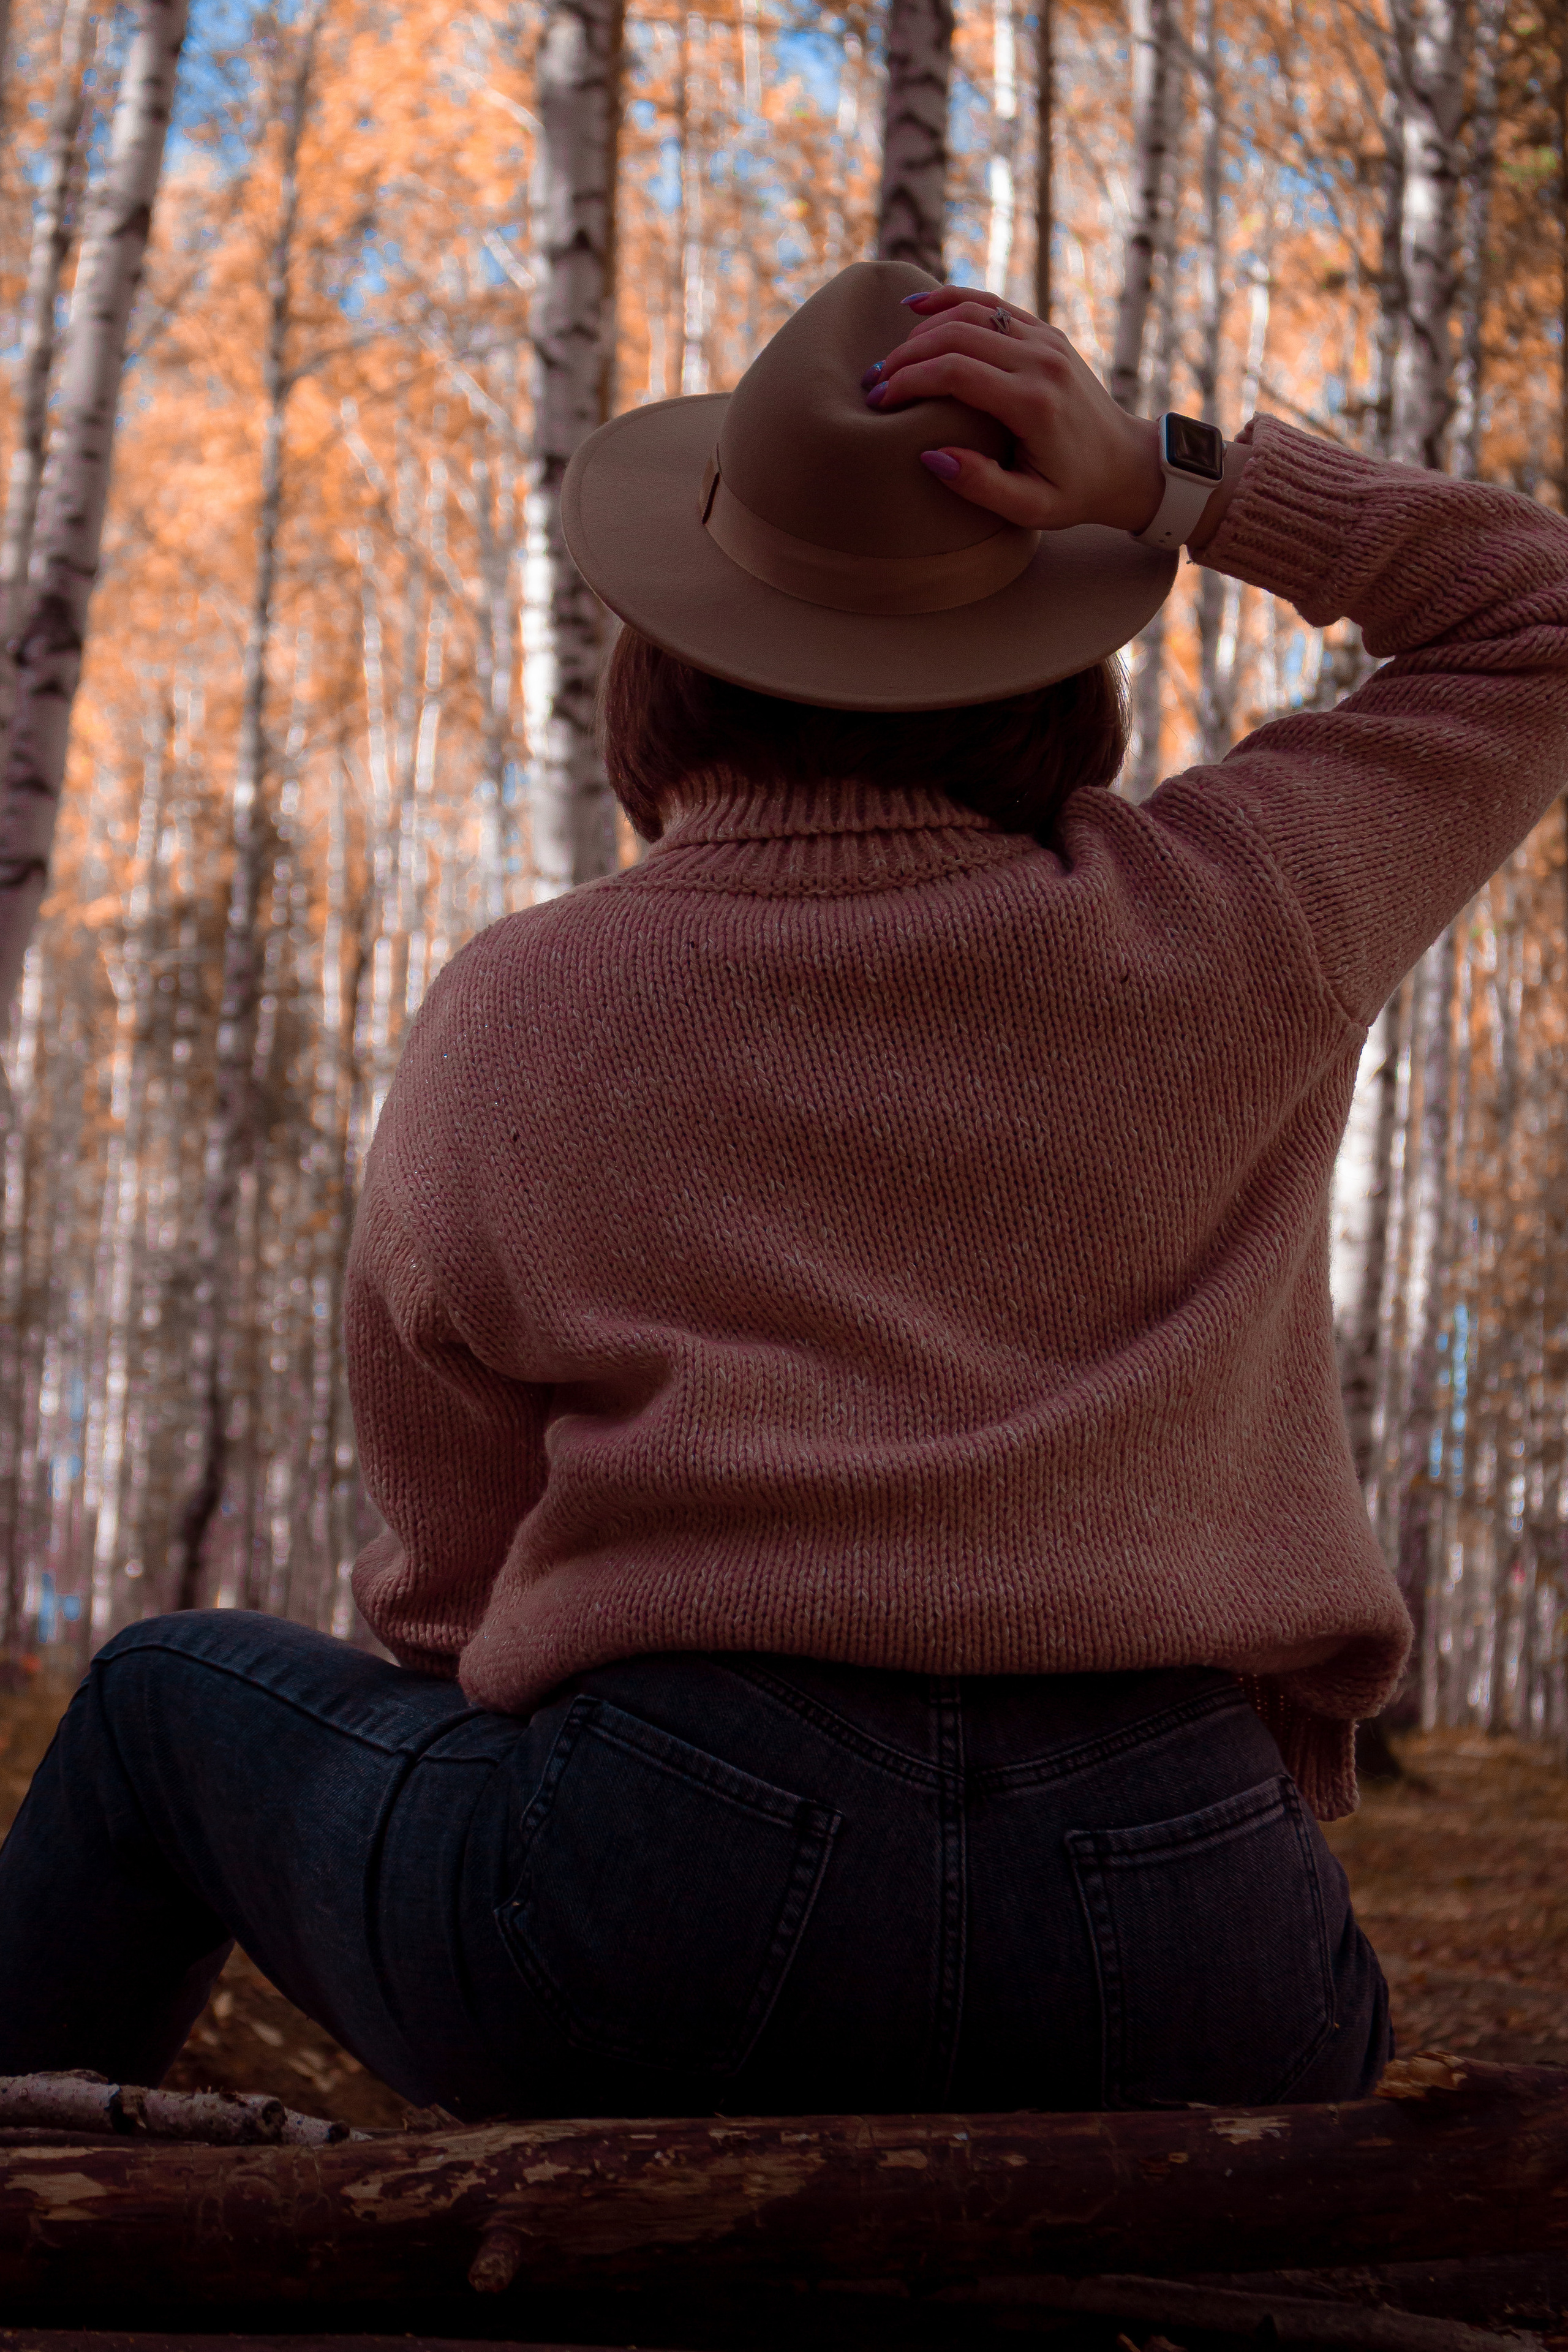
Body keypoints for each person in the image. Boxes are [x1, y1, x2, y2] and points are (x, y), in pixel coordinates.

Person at [4, 262, 1566, 2125]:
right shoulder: (1238, 920)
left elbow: (449, 1582)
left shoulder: (523, 1006)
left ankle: (52, 2234)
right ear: (1052, 669)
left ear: (662, 656)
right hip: (1189, 1935)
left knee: (159, 1699)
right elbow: (1532, 616)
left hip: (659, 1899)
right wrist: (1167, 475)